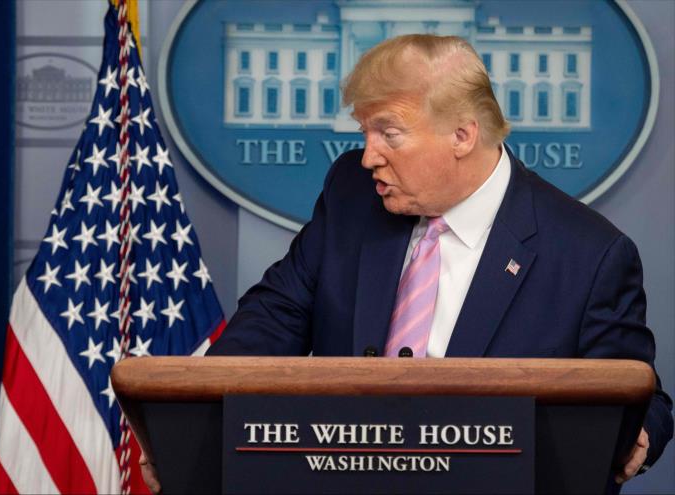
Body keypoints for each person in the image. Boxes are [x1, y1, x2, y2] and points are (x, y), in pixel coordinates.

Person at [140, 34, 673, 492]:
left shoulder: (589, 253)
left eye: (389, 134)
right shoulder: (352, 193)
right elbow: (272, 317)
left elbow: (636, 392)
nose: (369, 155)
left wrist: (634, 433)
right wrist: (191, 419)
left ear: (463, 135)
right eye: (365, 133)